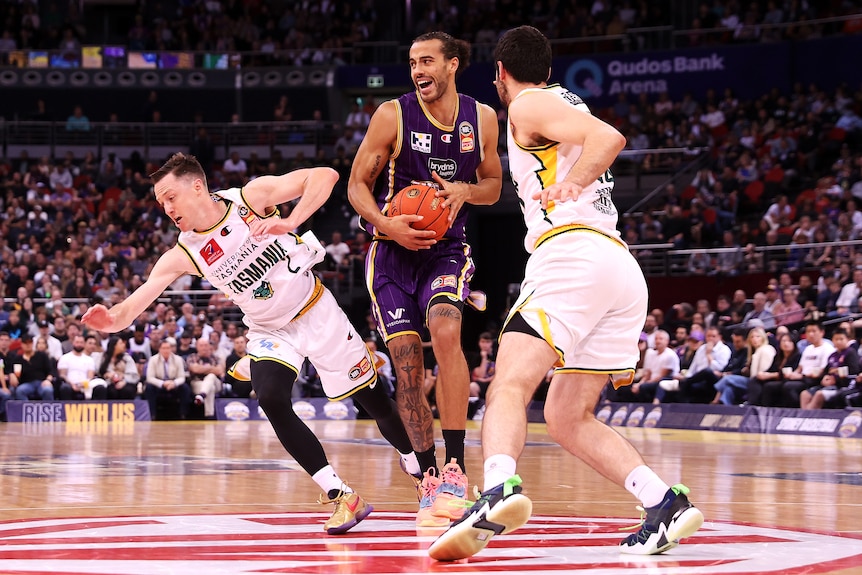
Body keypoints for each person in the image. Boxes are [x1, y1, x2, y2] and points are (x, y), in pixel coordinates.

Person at [428, 26, 702, 562]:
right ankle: (662, 503)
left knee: (508, 380)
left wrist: (571, 180)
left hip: (572, 256)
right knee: (567, 416)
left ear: (501, 75)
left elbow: (610, 139)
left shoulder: (529, 104)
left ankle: (498, 488)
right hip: (618, 266)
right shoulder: (561, 100)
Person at [82, 153, 420, 535]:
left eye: (170, 197)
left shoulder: (251, 198)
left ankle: (417, 468)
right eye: (161, 203)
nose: (167, 208)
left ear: (197, 186)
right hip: (268, 330)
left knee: (374, 400)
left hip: (315, 310)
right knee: (271, 398)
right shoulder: (184, 253)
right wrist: (110, 321)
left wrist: (291, 221)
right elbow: (133, 305)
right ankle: (341, 495)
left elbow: (325, 176)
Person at [347, 30, 502, 526]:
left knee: (447, 329)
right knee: (407, 361)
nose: (418, 70)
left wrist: (464, 191)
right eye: (413, 61)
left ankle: (455, 465)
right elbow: (356, 185)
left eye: (428, 60)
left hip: (445, 250)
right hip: (391, 252)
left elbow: (494, 185)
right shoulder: (392, 115)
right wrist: (386, 223)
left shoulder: (482, 118)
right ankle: (428, 476)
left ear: (453, 64)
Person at [144, 339, 192, 419]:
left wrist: (174, 383)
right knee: (149, 387)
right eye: (163, 348)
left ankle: (183, 414)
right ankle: (152, 415)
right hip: (159, 384)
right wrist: (162, 383)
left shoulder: (178, 359)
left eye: (168, 348)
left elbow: (182, 377)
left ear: (171, 349)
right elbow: (150, 378)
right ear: (159, 349)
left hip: (173, 383)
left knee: (185, 388)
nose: (166, 350)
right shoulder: (153, 359)